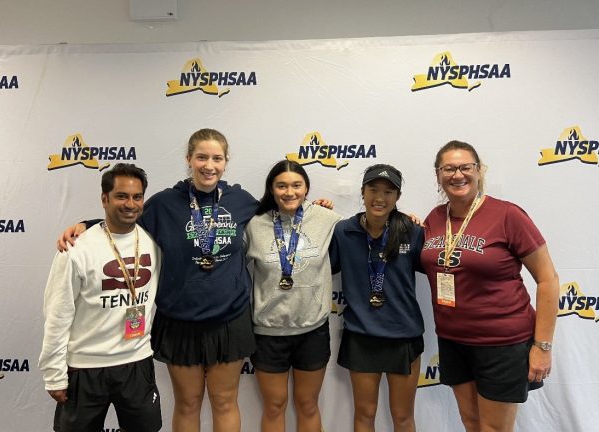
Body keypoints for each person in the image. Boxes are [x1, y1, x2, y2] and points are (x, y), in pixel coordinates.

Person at [59, 129, 258, 432]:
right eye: (202, 157)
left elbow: (281, 216)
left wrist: (317, 207)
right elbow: (124, 221)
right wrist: (85, 225)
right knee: (188, 403)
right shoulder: (165, 203)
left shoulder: (241, 200)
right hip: (180, 320)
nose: (209, 165)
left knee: (225, 401)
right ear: (189, 159)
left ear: (226, 162)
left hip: (229, 318)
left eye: (217, 158)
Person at [420, 140, 559, 432]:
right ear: (438, 175)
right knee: (471, 422)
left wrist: (542, 346)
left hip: (502, 343)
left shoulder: (507, 215)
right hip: (453, 340)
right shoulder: (434, 218)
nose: (457, 174)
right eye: (448, 168)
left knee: (494, 429)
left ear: (479, 170)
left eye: (465, 167)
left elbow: (548, 279)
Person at [39, 163, 162, 432]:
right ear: (104, 199)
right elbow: (57, 314)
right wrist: (54, 374)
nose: (130, 204)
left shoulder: (154, 243)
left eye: (137, 197)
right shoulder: (76, 248)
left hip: (136, 361)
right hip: (86, 366)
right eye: (121, 196)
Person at [244, 160, 341, 432]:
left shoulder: (326, 219)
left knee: (308, 404)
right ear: (272, 189)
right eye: (282, 185)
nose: (289, 192)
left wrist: (408, 221)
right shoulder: (255, 224)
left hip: (312, 330)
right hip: (268, 332)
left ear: (306, 188)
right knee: (274, 406)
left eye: (296, 185)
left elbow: (368, 226)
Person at [330, 164, 425, 432]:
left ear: (397, 197)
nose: (380, 197)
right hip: (362, 335)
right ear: (363, 192)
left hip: (403, 335)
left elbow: (436, 264)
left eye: (388, 192)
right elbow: (324, 266)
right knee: (364, 413)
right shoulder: (343, 231)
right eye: (373, 189)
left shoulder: (412, 231)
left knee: (403, 416)